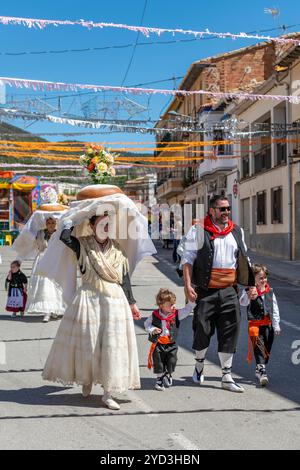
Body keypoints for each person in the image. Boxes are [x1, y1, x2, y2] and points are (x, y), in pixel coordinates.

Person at [40, 185, 156, 411]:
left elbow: (124, 279)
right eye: (101, 223)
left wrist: (132, 303)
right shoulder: (81, 244)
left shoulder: (119, 250)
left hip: (114, 302)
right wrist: (80, 214)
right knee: (89, 344)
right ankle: (87, 380)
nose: (106, 226)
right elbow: (64, 235)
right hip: (88, 299)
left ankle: (108, 392)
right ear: (92, 225)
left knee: (111, 346)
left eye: (108, 224)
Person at [182, 195, 255, 393]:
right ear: (211, 210)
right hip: (205, 291)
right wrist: (187, 286)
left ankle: (226, 376)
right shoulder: (198, 231)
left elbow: (244, 259)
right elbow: (187, 261)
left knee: (230, 332)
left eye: (228, 208)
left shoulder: (236, 231)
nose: (226, 212)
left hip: (230, 290)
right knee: (202, 330)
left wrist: (250, 285)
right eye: (221, 209)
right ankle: (198, 366)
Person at [145, 288, 196, 391]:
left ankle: (168, 373)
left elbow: (186, 310)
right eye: (171, 305)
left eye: (174, 304)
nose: (174, 306)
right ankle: (159, 380)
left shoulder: (176, 314)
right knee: (158, 362)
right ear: (161, 306)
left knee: (172, 360)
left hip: (171, 344)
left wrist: (192, 302)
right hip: (158, 343)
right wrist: (153, 329)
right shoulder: (154, 315)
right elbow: (147, 324)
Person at [240, 264, 281, 386]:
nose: (263, 280)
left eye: (265, 278)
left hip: (268, 326)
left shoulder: (270, 291)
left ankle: (260, 366)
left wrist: (276, 324)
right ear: (254, 279)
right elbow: (242, 302)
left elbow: (275, 309)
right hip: (255, 326)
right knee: (259, 348)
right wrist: (248, 296)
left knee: (266, 350)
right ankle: (262, 371)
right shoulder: (249, 290)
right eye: (260, 278)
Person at [25, 217, 66, 322]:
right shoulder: (40, 233)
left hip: (56, 260)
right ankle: (47, 311)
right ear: (45, 224)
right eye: (49, 223)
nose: (51, 225)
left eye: (53, 223)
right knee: (45, 286)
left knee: (56, 285)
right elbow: (36, 245)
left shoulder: (59, 233)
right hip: (43, 259)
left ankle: (56, 309)